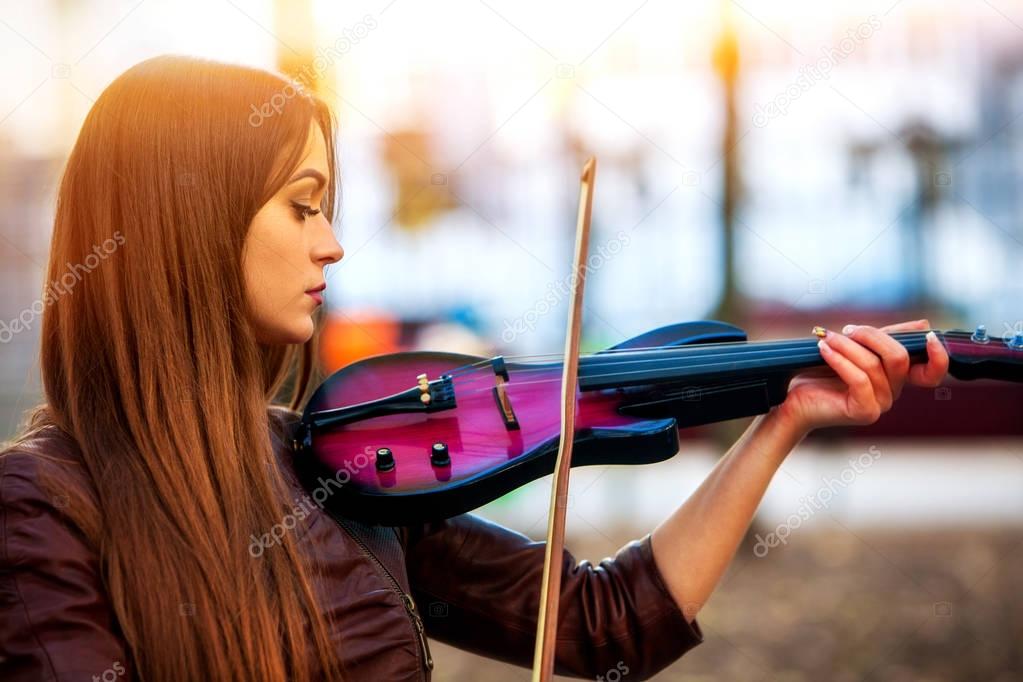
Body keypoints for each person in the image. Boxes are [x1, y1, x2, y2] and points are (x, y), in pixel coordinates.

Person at [0, 55, 949, 682]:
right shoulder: (41, 510)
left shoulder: (336, 464)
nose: (333, 245)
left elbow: (603, 622)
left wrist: (780, 418)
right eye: (302, 205)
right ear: (188, 220)